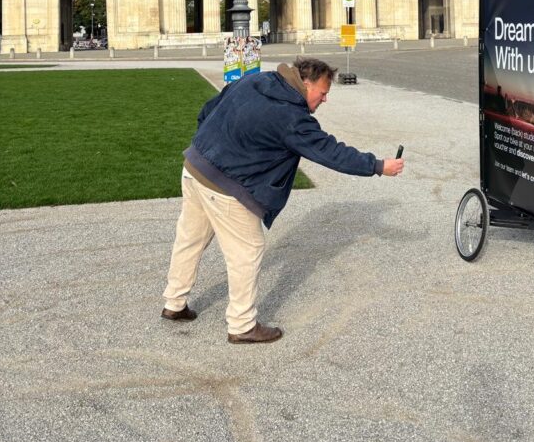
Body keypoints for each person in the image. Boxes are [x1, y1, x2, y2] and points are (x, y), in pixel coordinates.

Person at [162, 57, 405, 344]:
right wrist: (377, 166)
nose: (325, 99)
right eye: (323, 93)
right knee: (246, 251)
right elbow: (329, 151)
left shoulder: (257, 79)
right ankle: (241, 325)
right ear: (306, 82)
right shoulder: (291, 116)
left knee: (189, 239)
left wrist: (209, 148)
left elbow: (208, 110)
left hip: (194, 167)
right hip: (226, 187)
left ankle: (174, 303)